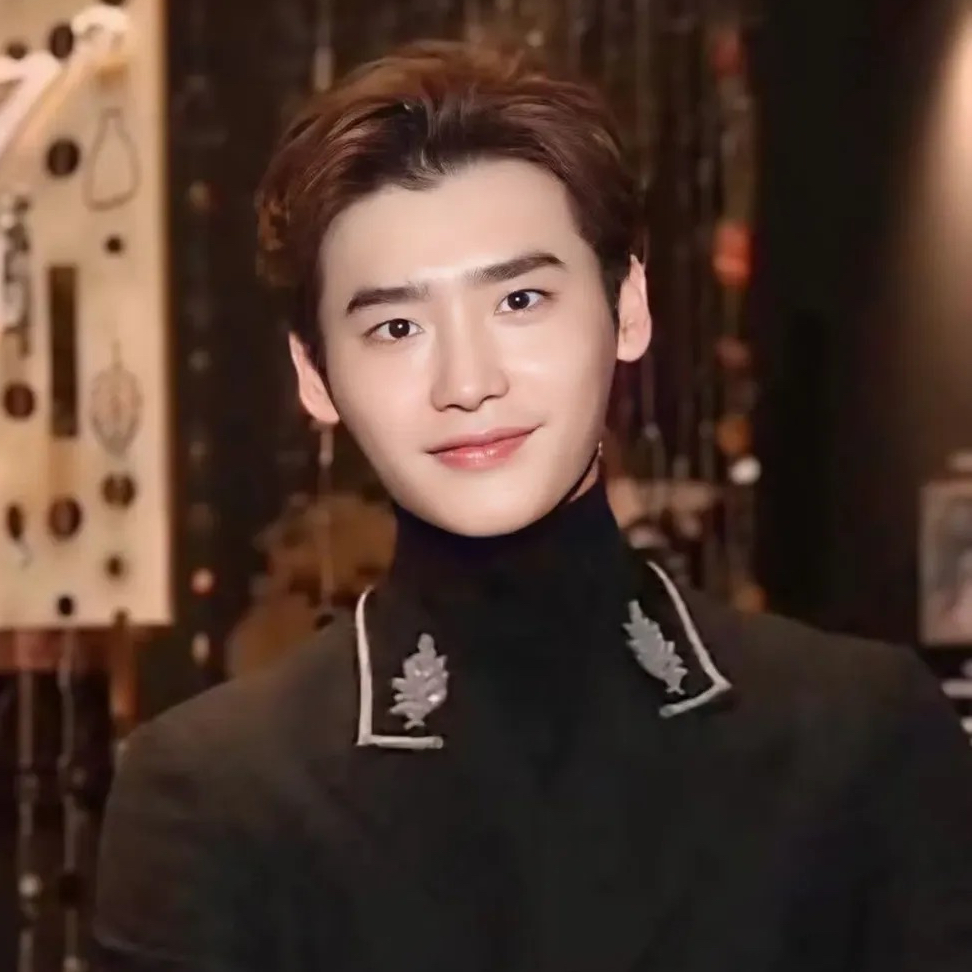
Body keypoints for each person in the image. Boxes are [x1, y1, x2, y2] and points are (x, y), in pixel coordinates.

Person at [93, 38, 972, 972]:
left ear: (627, 309)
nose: (468, 382)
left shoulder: (858, 740)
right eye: (397, 326)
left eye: (519, 300)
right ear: (316, 377)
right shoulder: (214, 792)